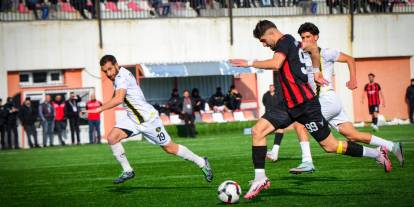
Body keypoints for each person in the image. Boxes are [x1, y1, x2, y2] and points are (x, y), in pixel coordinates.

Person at [230, 20, 391, 200]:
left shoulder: (284, 41)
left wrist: (249, 62)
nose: (263, 44)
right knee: (257, 131)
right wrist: (316, 72)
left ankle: (377, 153)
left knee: (330, 146)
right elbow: (314, 50)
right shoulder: (296, 43)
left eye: (263, 40)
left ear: (270, 33)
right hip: (289, 104)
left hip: (307, 105)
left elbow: (276, 64)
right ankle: (260, 178)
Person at [83, 55, 213, 184]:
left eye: (110, 69)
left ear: (116, 65)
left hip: (148, 120)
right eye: (105, 71)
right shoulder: (118, 77)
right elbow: (117, 94)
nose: (108, 73)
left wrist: (99, 109)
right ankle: (128, 170)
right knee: (112, 137)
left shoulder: (122, 77)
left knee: (170, 148)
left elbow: (118, 99)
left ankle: (202, 162)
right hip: (133, 120)